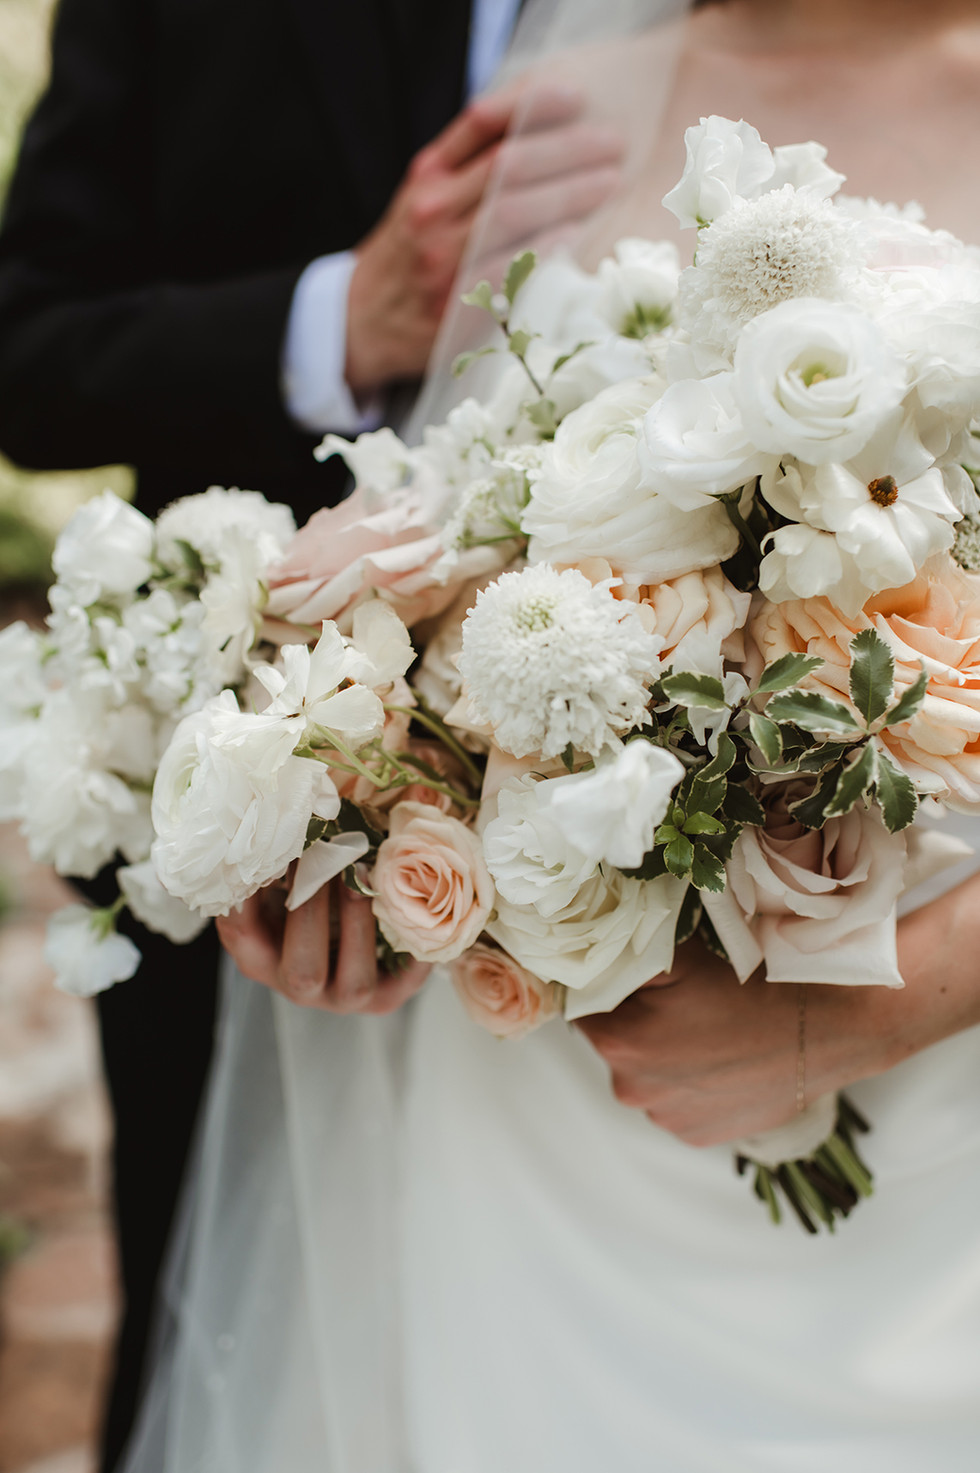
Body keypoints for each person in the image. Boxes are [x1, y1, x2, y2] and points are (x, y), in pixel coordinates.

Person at [183, 1, 980, 1470]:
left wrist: (872, 1007)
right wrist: (364, 838)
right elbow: (448, 556)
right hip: (538, 1120)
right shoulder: (556, 111)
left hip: (944, 1155)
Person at [0, 2, 624, 1466]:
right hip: (244, 836)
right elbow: (26, 340)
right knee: (218, 1334)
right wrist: (338, 316)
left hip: (643, 860)